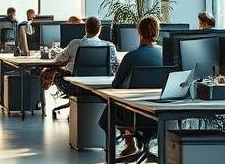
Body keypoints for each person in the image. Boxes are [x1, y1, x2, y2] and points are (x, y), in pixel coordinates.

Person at [98, 16, 163, 156]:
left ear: (139, 32)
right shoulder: (166, 54)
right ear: (157, 32)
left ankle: (129, 143)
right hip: (159, 110)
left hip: (132, 111)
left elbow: (115, 84)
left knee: (106, 117)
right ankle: (144, 145)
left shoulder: (131, 57)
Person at [43, 16, 117, 93]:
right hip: (101, 85)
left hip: (74, 85)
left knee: (53, 72)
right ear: (100, 29)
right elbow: (115, 67)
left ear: (85, 28)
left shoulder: (75, 44)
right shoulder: (110, 46)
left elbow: (58, 60)